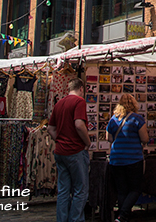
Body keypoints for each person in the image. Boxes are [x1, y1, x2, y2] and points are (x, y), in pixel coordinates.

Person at [47, 77, 90, 222]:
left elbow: (50, 128)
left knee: (64, 190)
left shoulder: (59, 103)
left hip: (60, 151)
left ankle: (62, 219)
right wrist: (87, 141)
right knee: (80, 189)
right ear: (81, 89)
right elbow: (79, 124)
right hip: (75, 151)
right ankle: (75, 219)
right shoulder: (79, 102)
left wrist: (59, 140)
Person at [106, 94, 147, 222]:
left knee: (122, 190)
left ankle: (122, 217)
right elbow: (145, 138)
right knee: (135, 189)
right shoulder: (137, 119)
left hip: (116, 159)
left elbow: (109, 138)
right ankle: (123, 215)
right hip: (133, 158)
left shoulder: (114, 119)